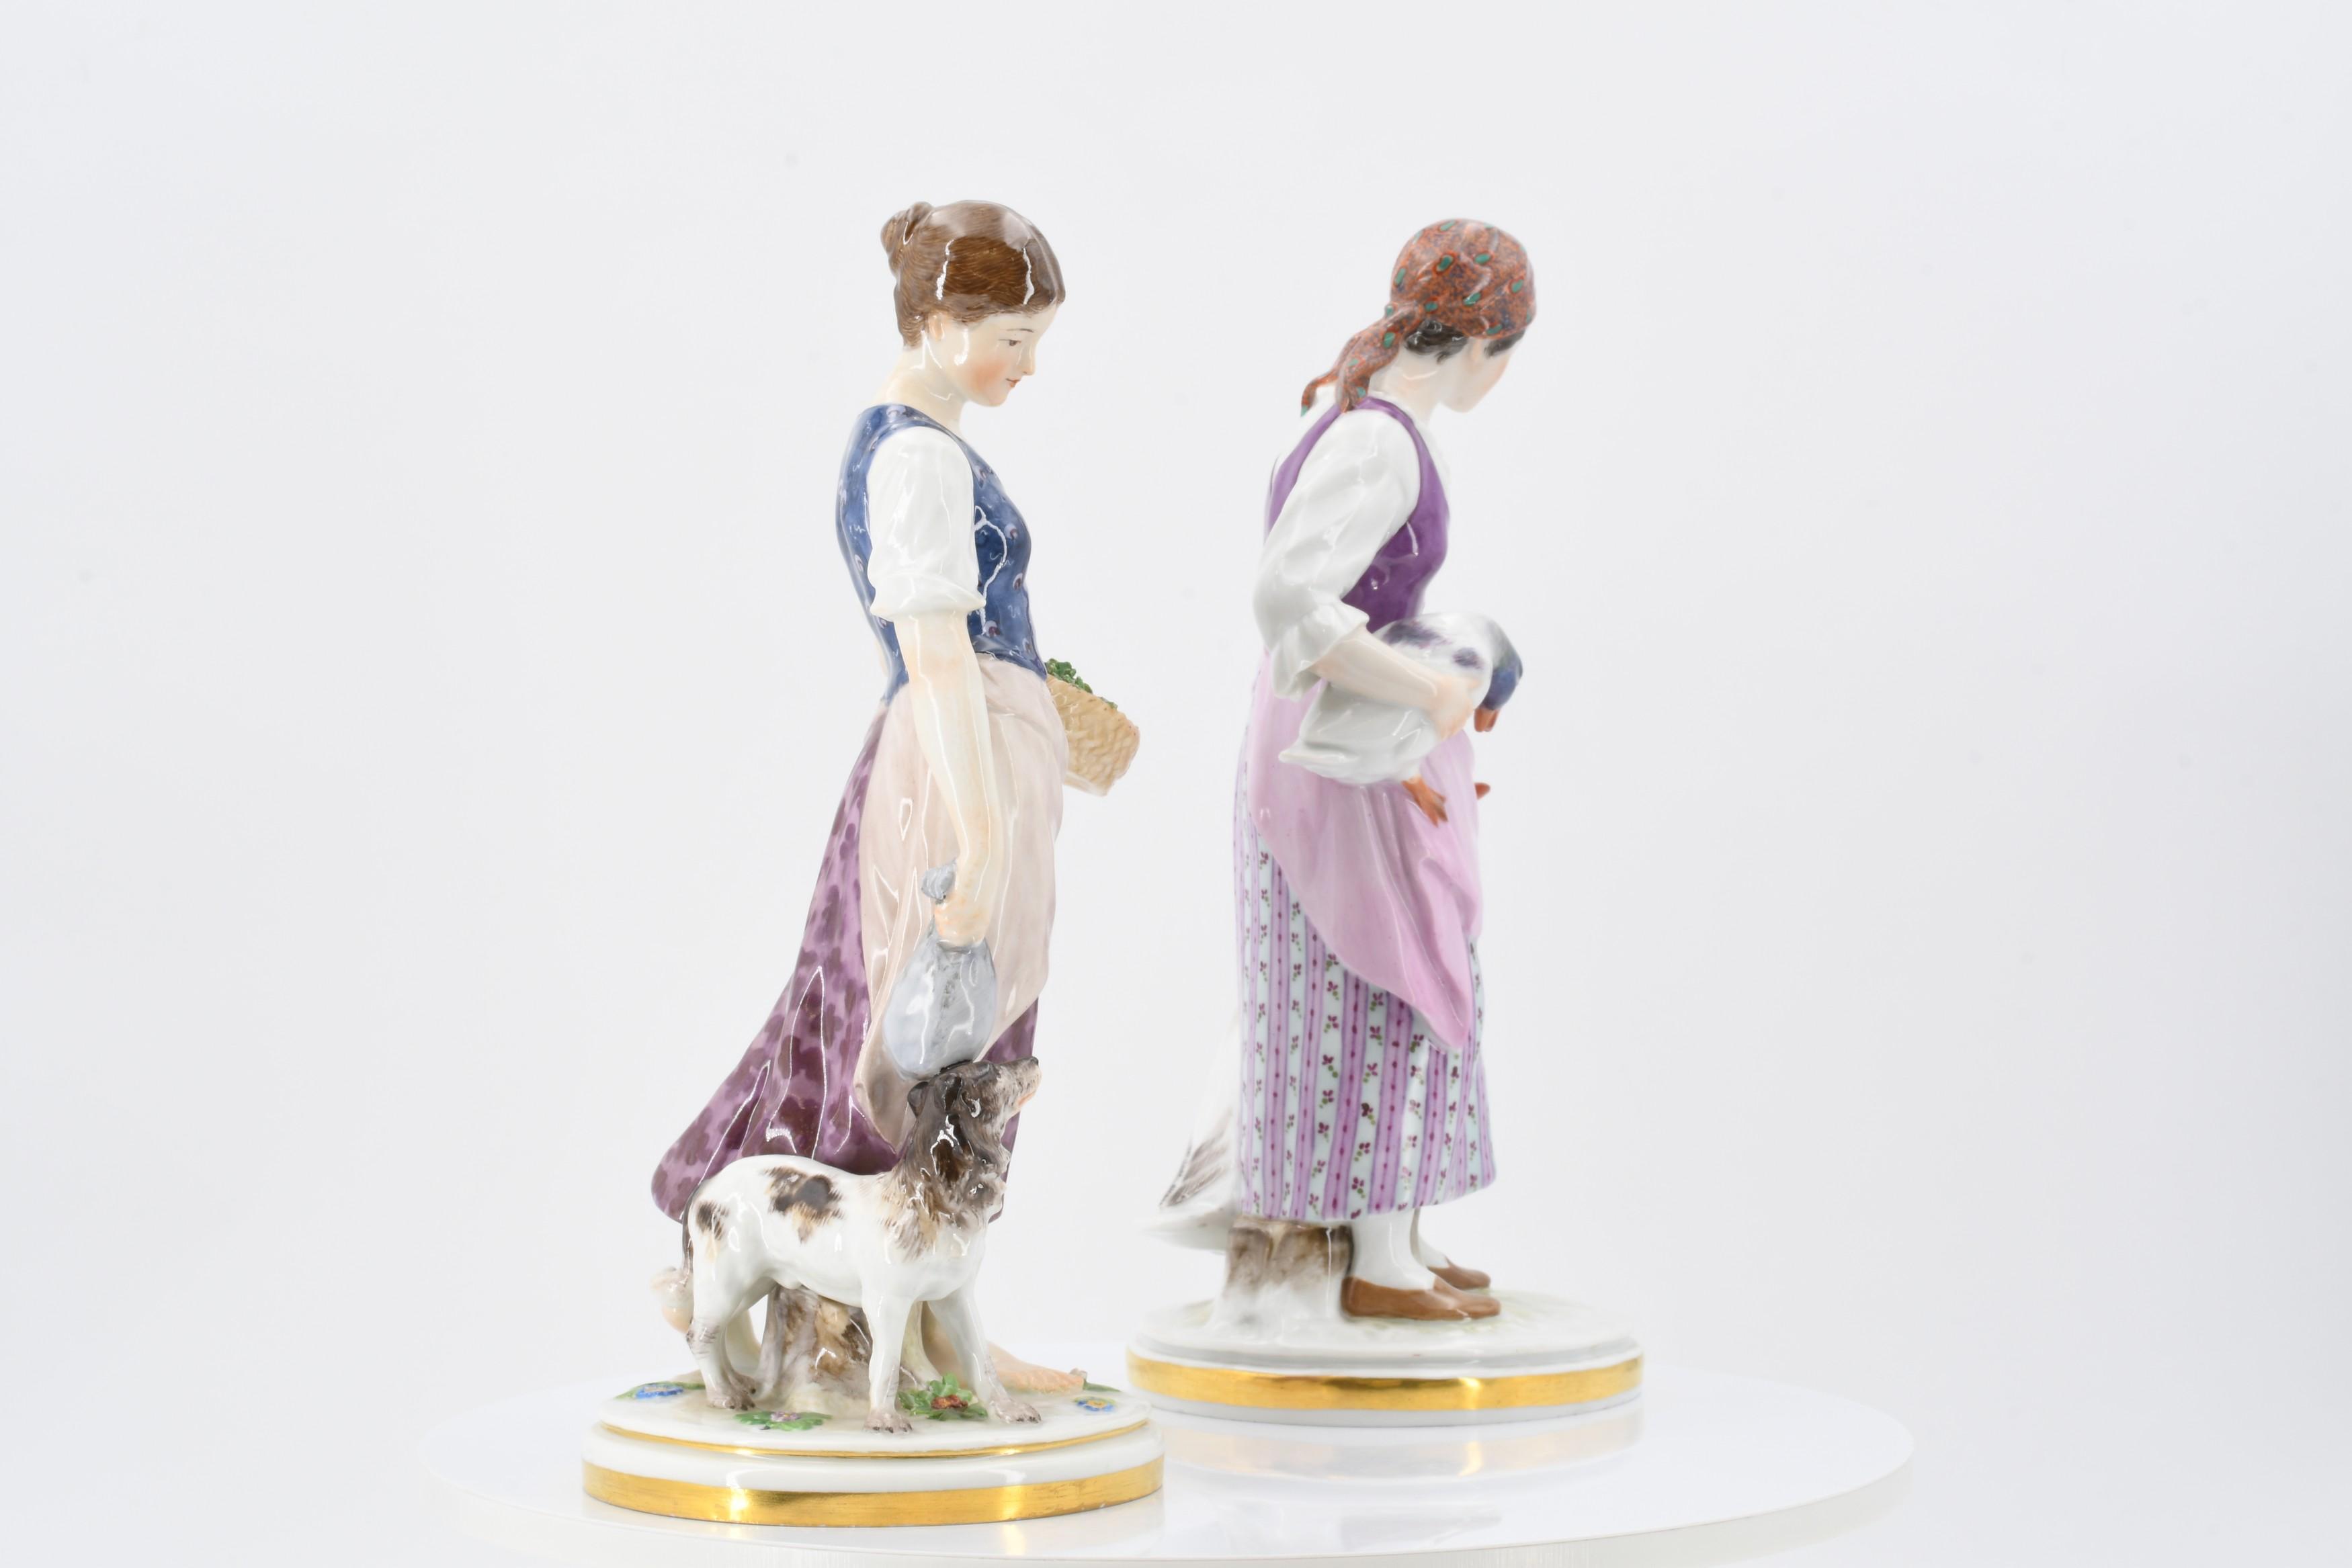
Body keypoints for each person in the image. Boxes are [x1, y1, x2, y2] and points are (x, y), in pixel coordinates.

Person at [653, 200, 1076, 1386]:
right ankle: (867, 1310)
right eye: (1012, 339)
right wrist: (982, 833)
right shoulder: (919, 458)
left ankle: (931, 1319)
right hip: (953, 767)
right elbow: (938, 651)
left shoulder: (915, 445)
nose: (1028, 366)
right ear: (938, 322)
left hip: (971, 750)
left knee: (947, 1028)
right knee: (935, 1032)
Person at [1234, 220, 1536, 1319]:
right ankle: (1374, 1255)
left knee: (1409, 964)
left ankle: (1393, 1229)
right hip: (1341, 739)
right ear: (1484, 342)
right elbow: (1286, 597)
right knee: (1377, 974)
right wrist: (1424, 687)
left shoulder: (1370, 420)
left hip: (1363, 730)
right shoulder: (1377, 441)